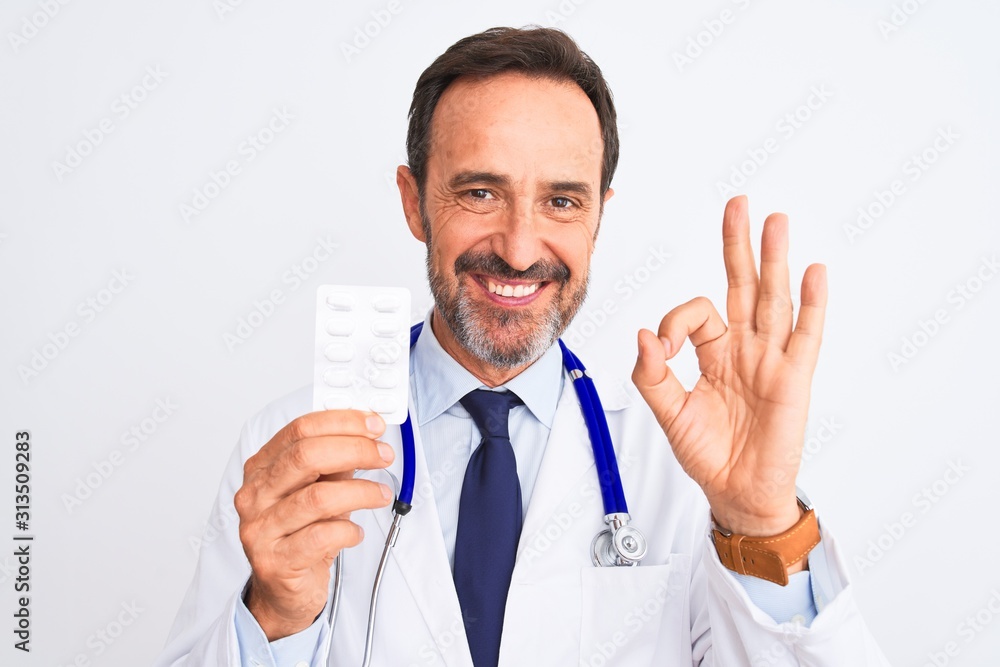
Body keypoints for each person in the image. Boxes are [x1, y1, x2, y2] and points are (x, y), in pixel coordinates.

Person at [156, 26, 890, 666]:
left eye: (562, 200)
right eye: (480, 192)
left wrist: (762, 522)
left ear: (600, 213)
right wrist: (276, 615)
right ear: (414, 202)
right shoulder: (289, 453)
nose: (518, 246)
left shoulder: (678, 471)